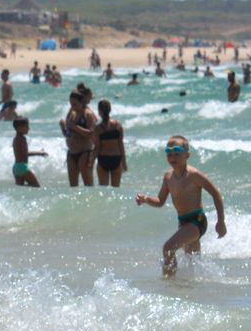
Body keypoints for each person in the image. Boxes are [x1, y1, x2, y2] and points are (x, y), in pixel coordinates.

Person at [135, 136, 228, 277]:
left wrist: (221, 221)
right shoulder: (168, 177)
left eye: (177, 153)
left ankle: (169, 283)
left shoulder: (194, 175)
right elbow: (160, 201)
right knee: (193, 264)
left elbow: (216, 194)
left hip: (197, 221)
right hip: (183, 222)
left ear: (187, 155)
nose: (172, 157)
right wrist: (147, 199)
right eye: (169, 154)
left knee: (168, 248)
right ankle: (194, 289)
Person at [61, 91, 97, 186]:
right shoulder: (72, 114)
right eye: (71, 104)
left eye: (75, 104)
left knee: (88, 185)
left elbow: (91, 133)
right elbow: (68, 133)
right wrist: (63, 128)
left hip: (84, 152)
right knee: (73, 186)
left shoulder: (88, 115)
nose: (72, 106)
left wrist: (75, 127)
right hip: (71, 153)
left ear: (82, 103)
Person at [94, 99, 127, 187]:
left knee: (103, 190)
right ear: (110, 110)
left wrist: (90, 162)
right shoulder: (118, 126)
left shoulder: (98, 129)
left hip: (103, 159)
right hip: (116, 159)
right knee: (116, 190)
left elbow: (97, 148)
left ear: (99, 112)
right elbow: (121, 145)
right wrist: (124, 163)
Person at [11, 117, 47, 187]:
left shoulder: (15, 139)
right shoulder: (22, 139)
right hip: (22, 167)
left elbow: (22, 153)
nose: (29, 128)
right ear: (19, 128)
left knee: (21, 188)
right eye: (26, 126)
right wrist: (40, 153)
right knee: (37, 186)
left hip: (16, 167)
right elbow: (26, 153)